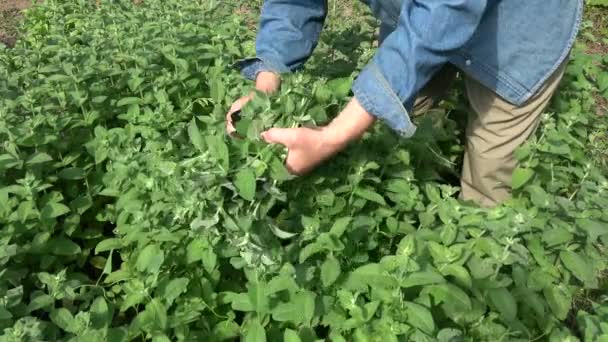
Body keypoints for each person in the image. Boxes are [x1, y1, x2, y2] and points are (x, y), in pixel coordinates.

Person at [226, 0, 583, 207]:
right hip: (419, 12)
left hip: (516, 24)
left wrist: (330, 138)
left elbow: (445, 12)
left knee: (491, 180)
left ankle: (478, 298)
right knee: (397, 137)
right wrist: (265, 85)